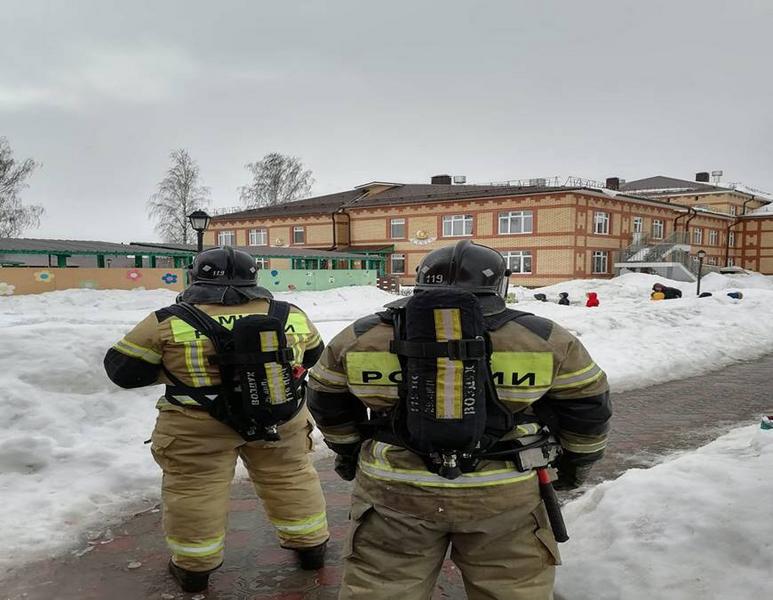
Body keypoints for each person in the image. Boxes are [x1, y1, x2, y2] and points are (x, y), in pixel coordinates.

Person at [307, 241, 611, 600]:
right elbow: (588, 409)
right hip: (505, 495)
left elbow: (326, 399)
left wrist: (348, 452)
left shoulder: (360, 336)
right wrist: (577, 463)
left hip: (395, 493)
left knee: (382, 588)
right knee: (512, 589)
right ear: (500, 283)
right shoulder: (545, 338)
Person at [104, 247, 329, 593]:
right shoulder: (290, 314)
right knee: (290, 477)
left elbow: (122, 371)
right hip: (279, 416)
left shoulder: (169, 320)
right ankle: (311, 548)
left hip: (196, 424)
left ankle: (195, 569)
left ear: (197, 277)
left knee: (195, 490)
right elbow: (313, 354)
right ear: (254, 278)